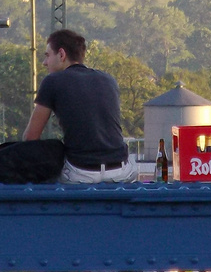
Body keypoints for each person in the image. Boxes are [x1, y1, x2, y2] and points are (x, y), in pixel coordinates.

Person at [23, 29, 133, 183]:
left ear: (61, 54)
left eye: (47, 55)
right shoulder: (109, 80)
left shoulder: (52, 81)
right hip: (120, 170)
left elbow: (30, 138)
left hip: (82, 172)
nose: (44, 62)